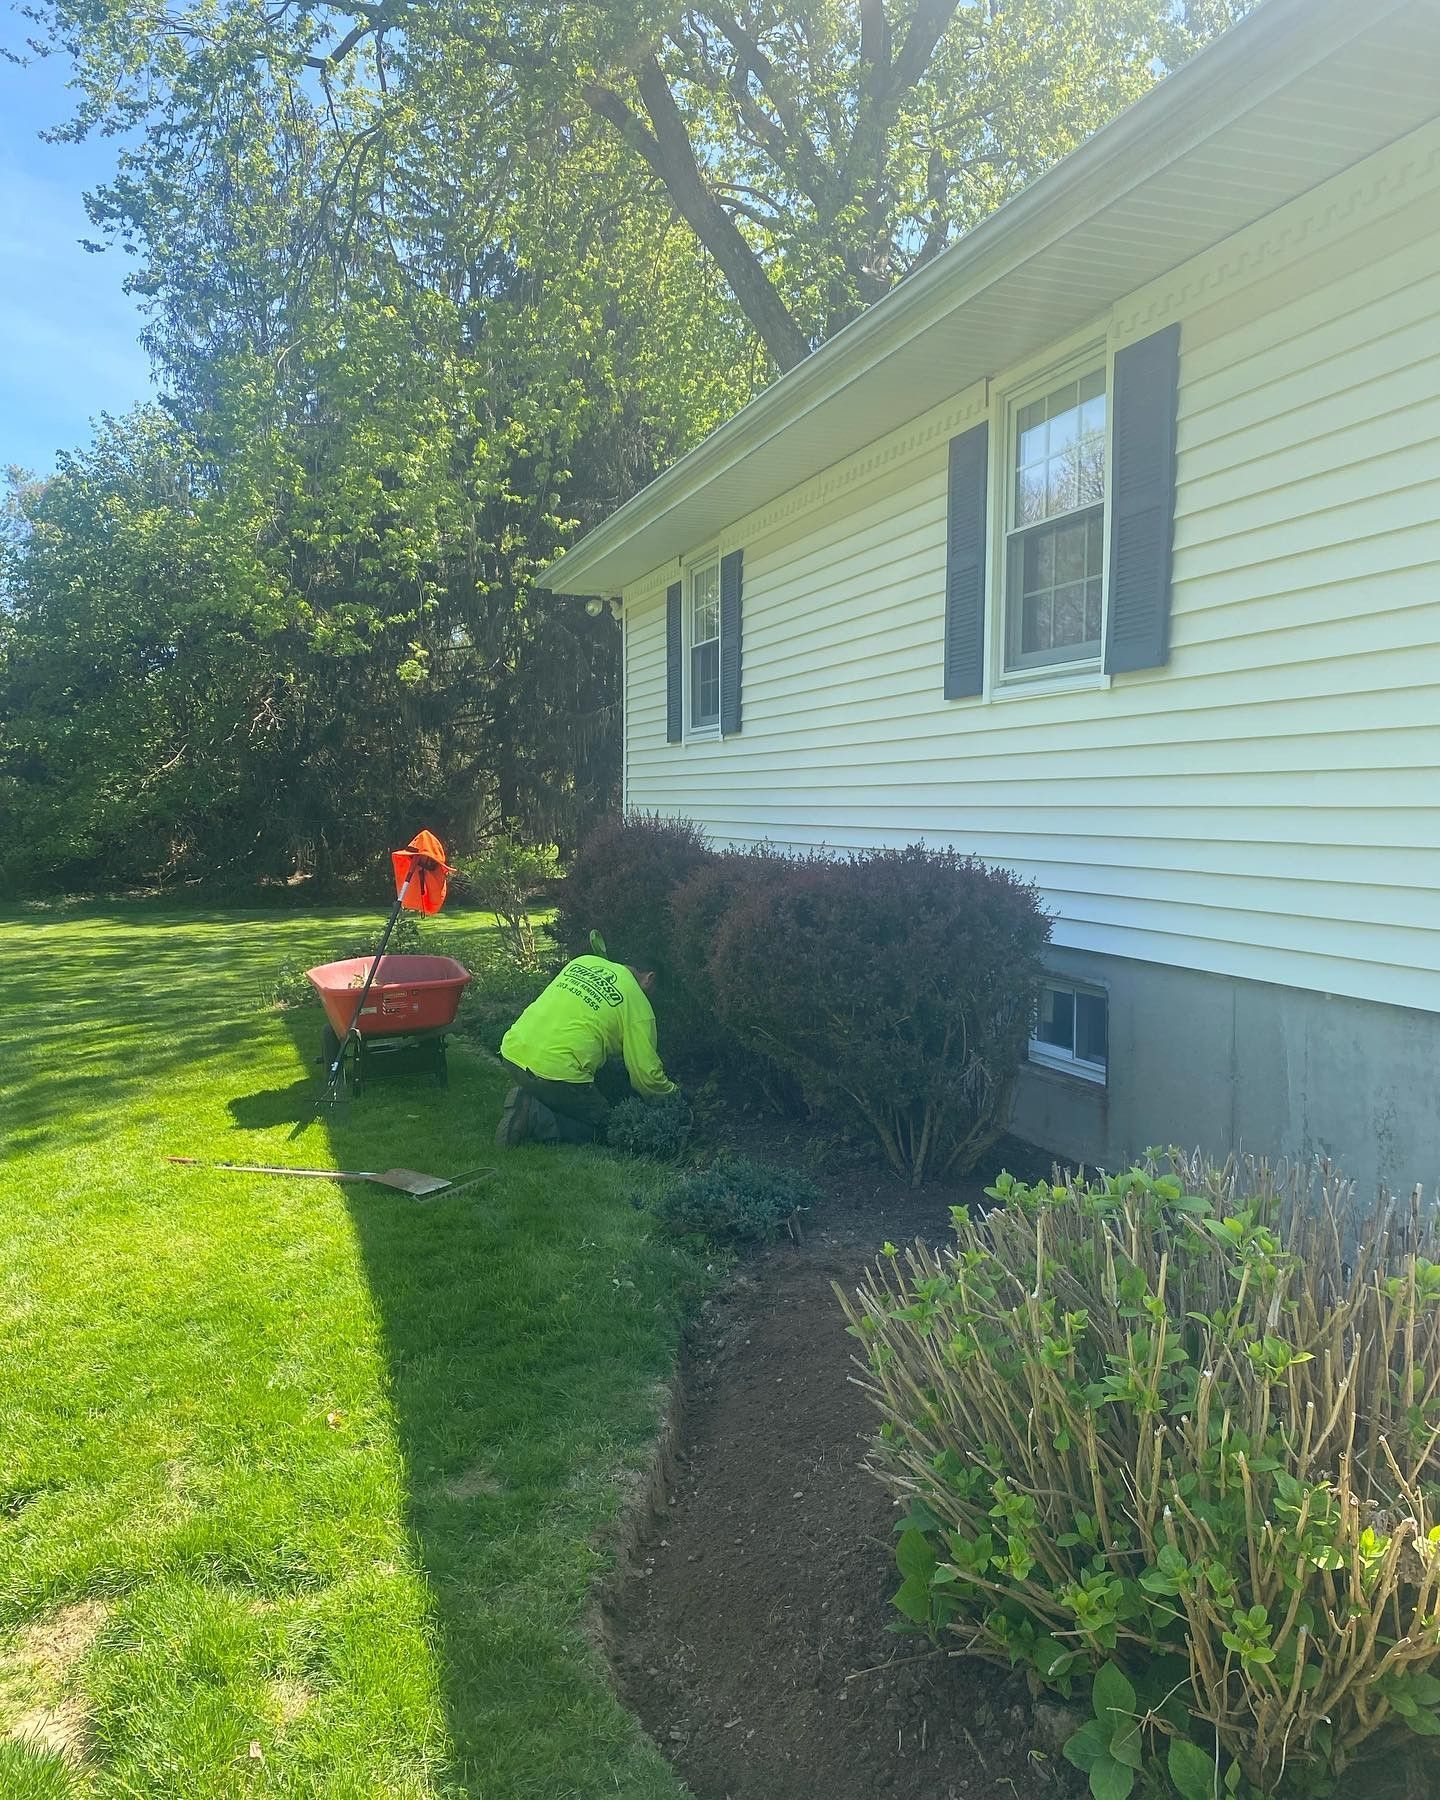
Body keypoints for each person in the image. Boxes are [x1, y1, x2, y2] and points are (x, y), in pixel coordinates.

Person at [495, 950, 677, 1146]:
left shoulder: (583, 962)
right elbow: (646, 1076)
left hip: (513, 1054)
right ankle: (535, 1117)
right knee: (607, 1128)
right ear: (650, 978)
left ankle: (532, 1096)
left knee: (564, 1091)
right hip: (557, 1075)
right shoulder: (637, 1003)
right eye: (653, 992)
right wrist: (674, 1094)